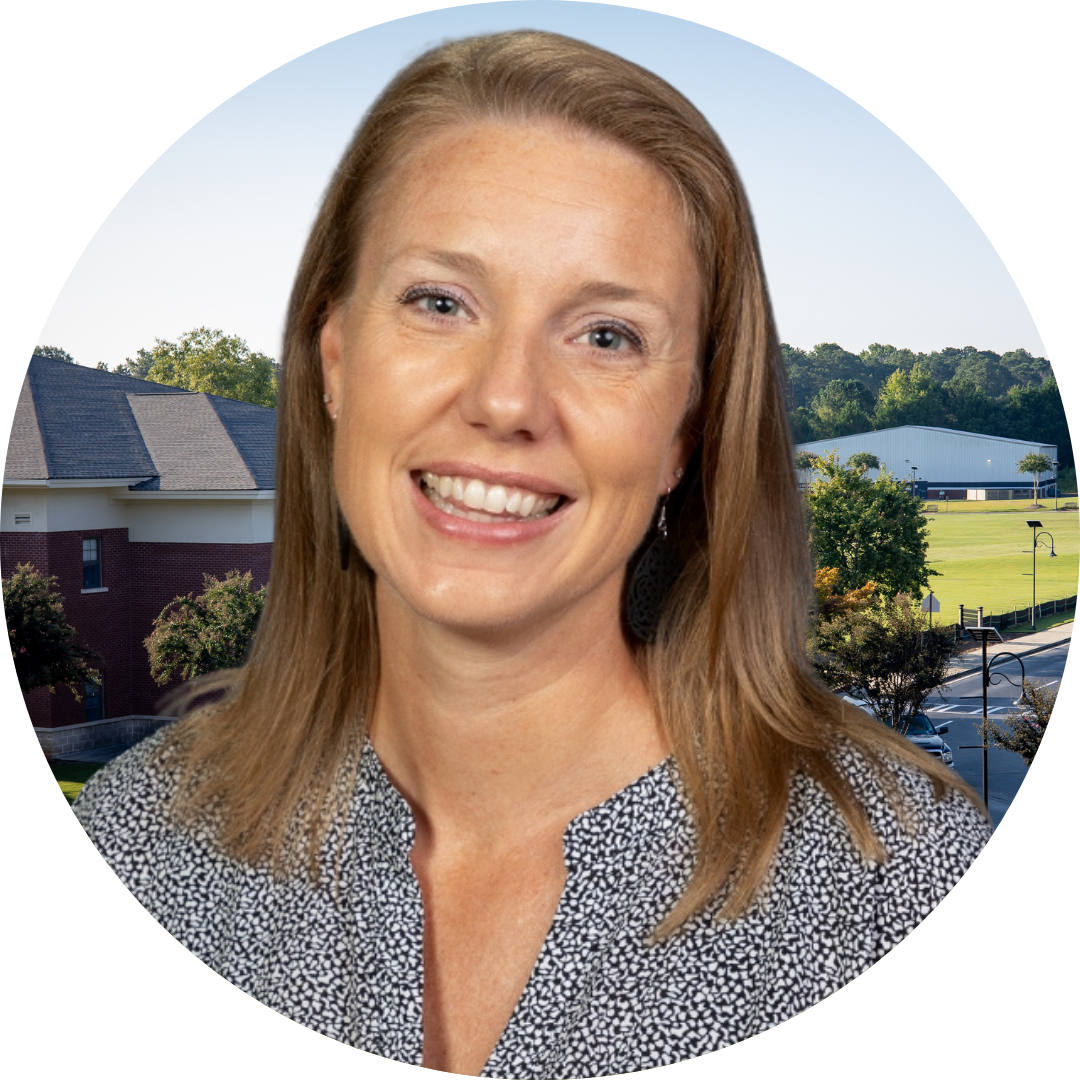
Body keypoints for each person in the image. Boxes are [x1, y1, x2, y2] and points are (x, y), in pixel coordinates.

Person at [73, 30, 991, 1075]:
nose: (506, 400)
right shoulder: (140, 840)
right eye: (439, 302)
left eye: (606, 335)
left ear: (686, 433)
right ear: (335, 361)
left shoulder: (893, 887)